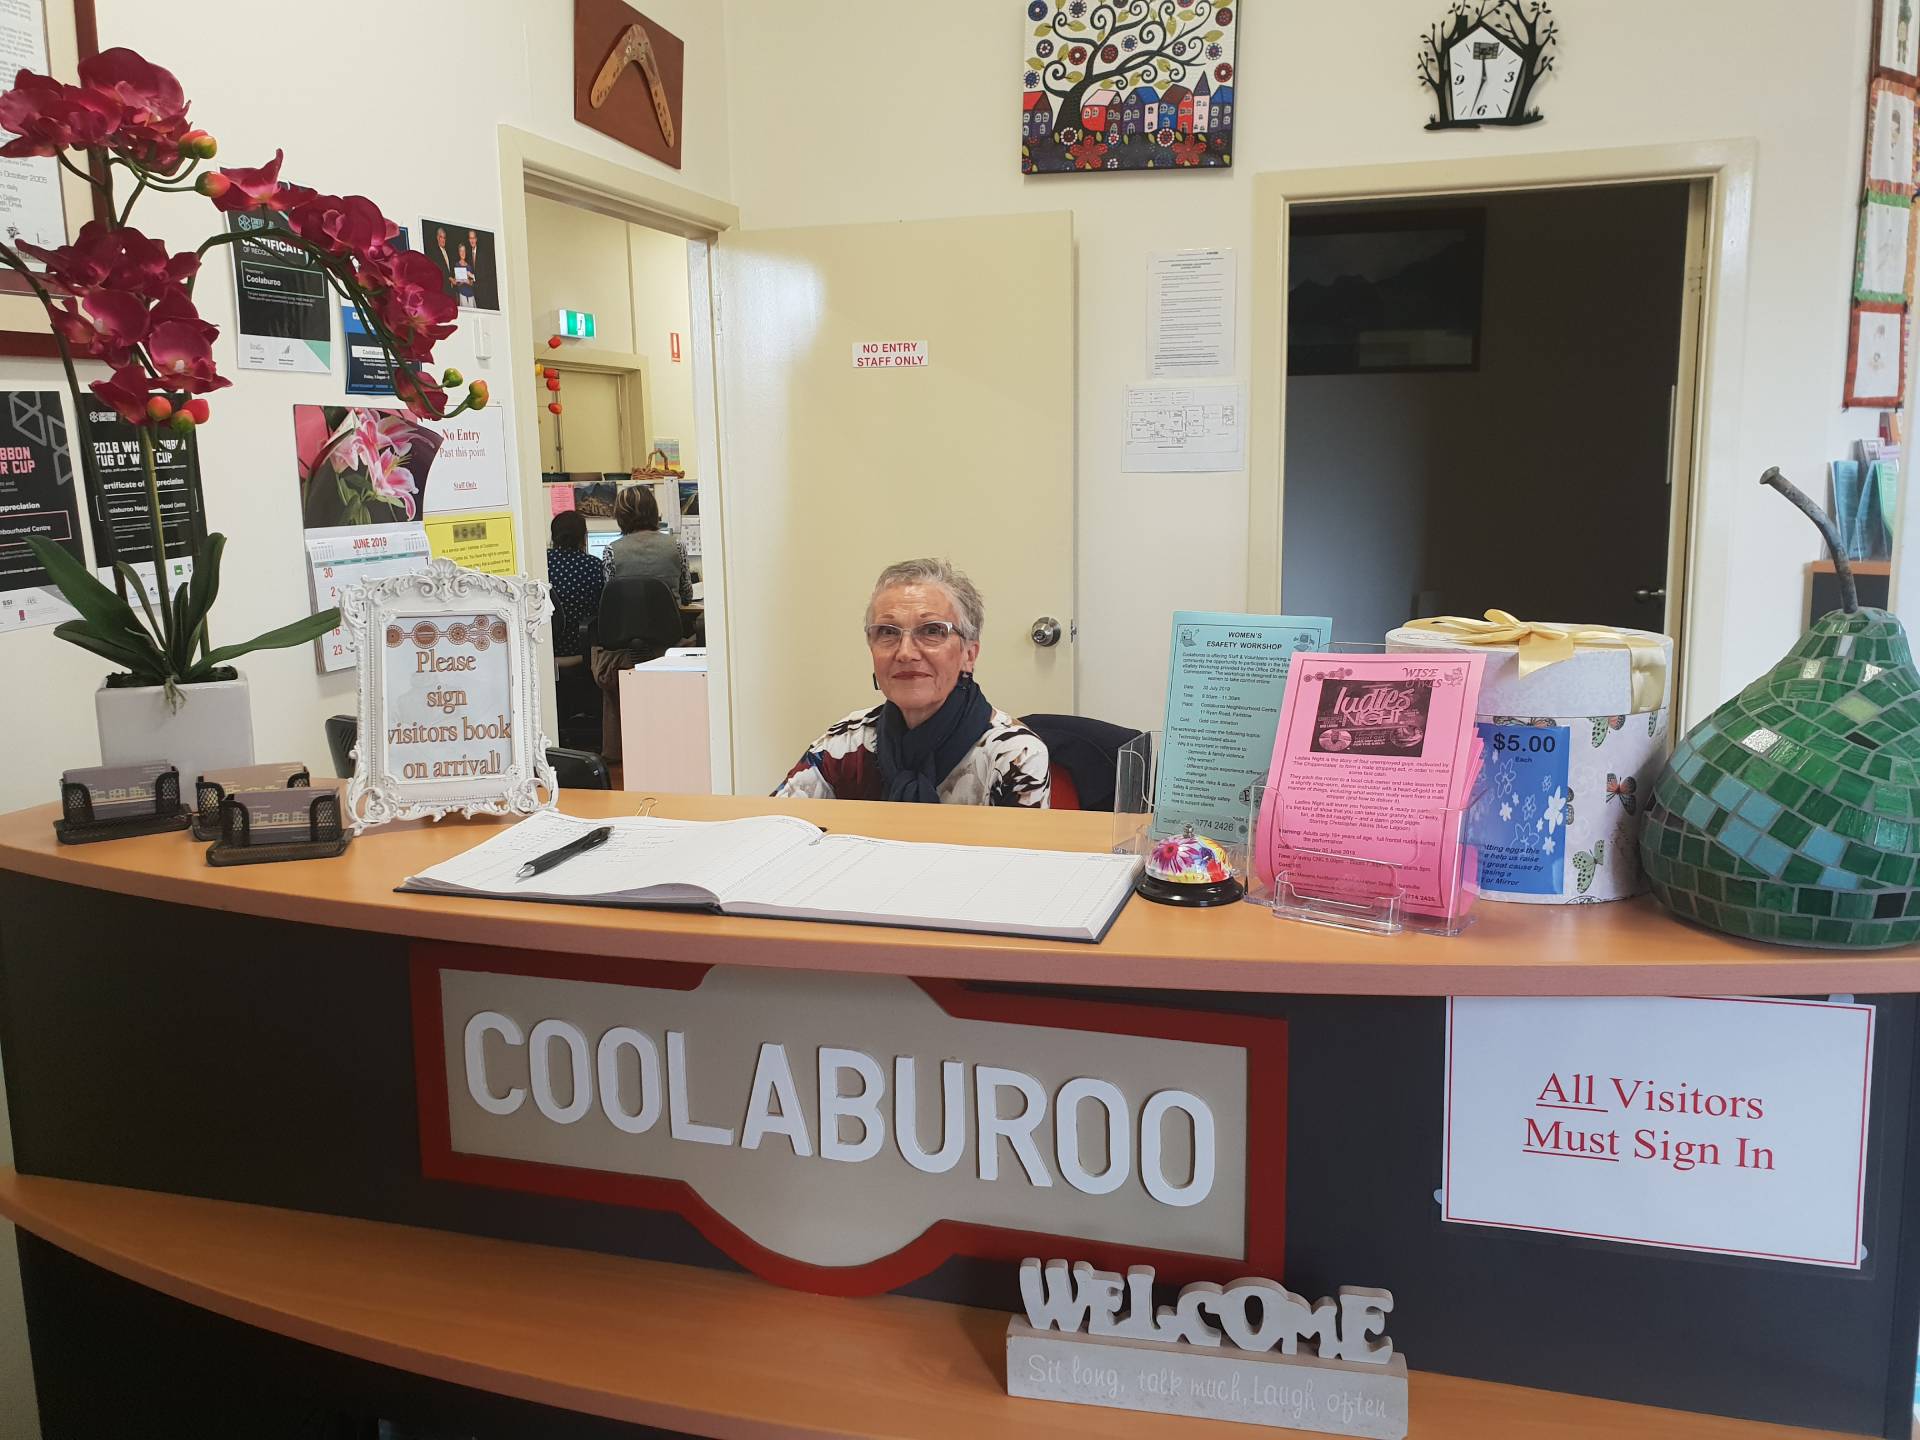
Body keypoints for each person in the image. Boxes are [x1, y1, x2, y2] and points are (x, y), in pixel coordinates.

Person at [774, 558, 1049, 806]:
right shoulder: (846, 743)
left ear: (969, 654)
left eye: (932, 631)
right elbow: (775, 824)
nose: (905, 652)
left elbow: (1018, 860)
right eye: (887, 632)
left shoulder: (1013, 755)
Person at [603, 483, 692, 604]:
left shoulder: (611, 551)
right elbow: (687, 596)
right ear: (654, 511)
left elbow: (611, 599)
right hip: (669, 622)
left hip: (628, 621)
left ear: (621, 516)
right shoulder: (677, 546)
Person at [545, 510, 603, 660]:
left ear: (553, 536)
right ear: (583, 536)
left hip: (546, 647)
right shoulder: (594, 566)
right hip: (581, 648)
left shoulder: (542, 562)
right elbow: (603, 609)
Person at [452, 243, 476, 309]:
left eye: (464, 251)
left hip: (471, 295)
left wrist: (469, 282)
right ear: (458, 252)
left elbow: (473, 283)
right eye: (461, 251)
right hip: (462, 294)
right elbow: (456, 283)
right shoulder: (456, 265)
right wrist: (462, 281)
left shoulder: (469, 266)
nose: (463, 253)